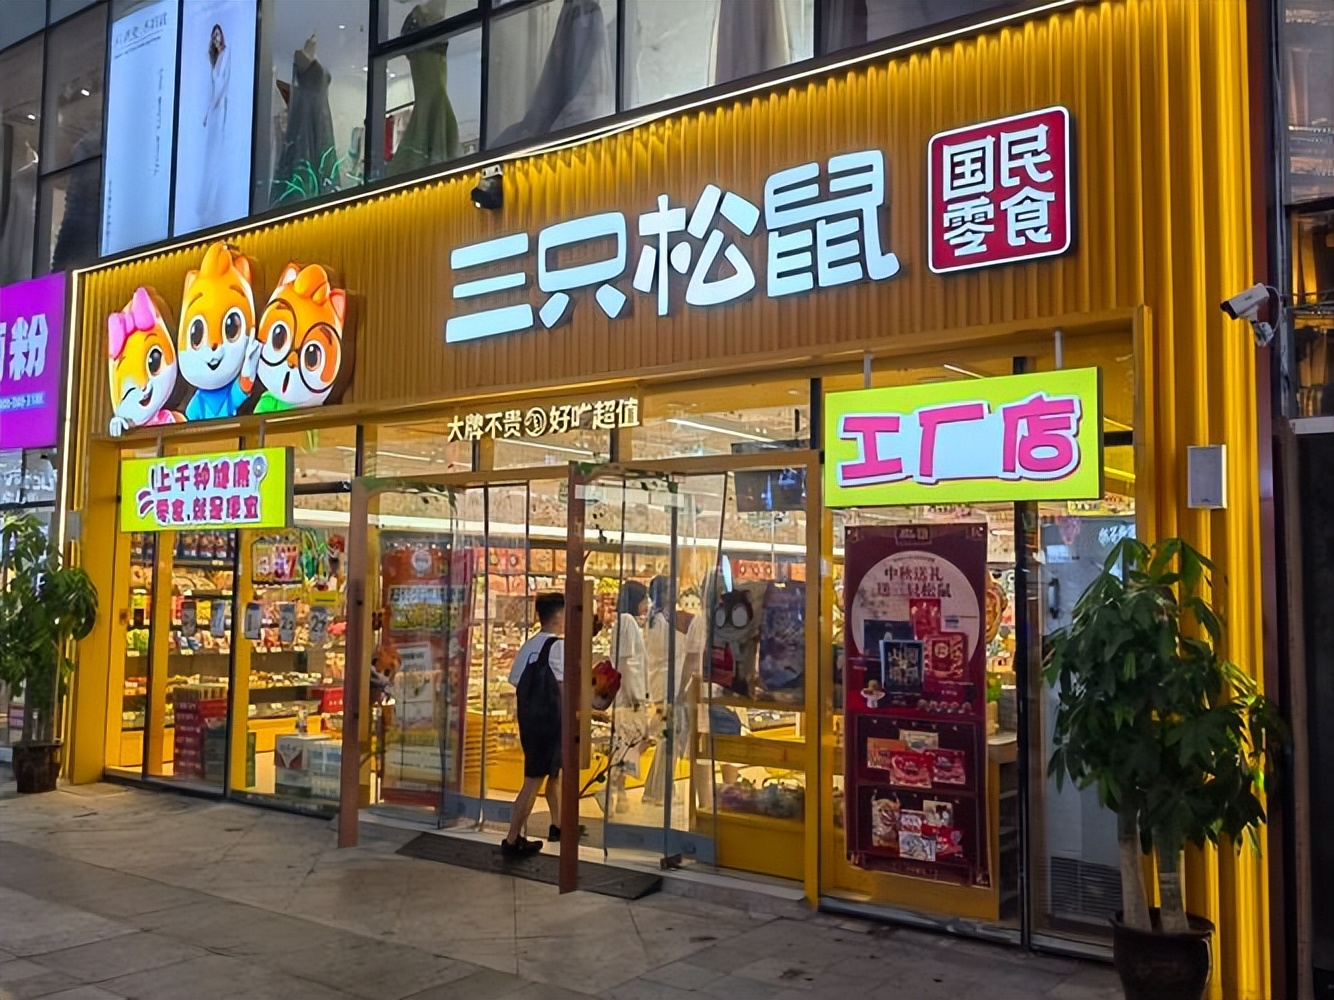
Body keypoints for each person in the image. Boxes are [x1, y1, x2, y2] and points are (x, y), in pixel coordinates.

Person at [501, 592, 566, 857]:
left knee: (553, 775)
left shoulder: (529, 646)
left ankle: (558, 825)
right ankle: (512, 838)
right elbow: (563, 687)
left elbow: (515, 680)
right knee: (533, 781)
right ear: (560, 615)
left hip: (530, 721)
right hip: (550, 723)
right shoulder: (558, 647)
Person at [608, 580, 649, 814]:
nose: (647, 604)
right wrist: (635, 696)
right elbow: (625, 664)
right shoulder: (627, 622)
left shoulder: (624, 622)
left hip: (627, 694)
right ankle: (611, 789)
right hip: (629, 695)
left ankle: (618, 792)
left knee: (626, 745)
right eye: (644, 598)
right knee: (629, 744)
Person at [201, 24, 231, 222]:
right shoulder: (213, 59)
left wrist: (219, 101)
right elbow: (211, 88)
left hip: (221, 107)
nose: (216, 38)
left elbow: (225, 81)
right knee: (209, 154)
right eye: (214, 36)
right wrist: (206, 114)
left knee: (217, 153)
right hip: (213, 109)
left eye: (218, 35)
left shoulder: (226, 54)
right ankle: (207, 202)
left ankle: (213, 202)